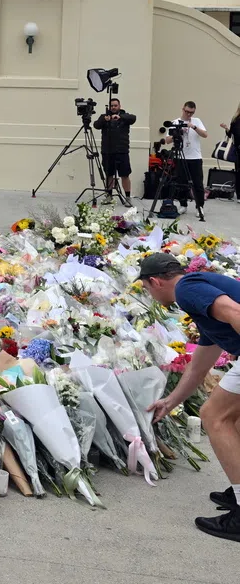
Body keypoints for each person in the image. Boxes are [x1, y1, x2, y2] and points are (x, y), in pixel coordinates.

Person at [139, 252, 240, 542]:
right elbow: (200, 365)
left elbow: (235, 313)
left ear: (155, 282)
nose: (151, 295)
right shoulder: (200, 301)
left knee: (214, 416)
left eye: (147, 289)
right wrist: (171, 401)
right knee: (233, 417)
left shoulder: (188, 290)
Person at [164, 100, 208, 220]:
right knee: (181, 182)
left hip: (195, 157)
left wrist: (193, 127)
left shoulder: (197, 121)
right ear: (183, 109)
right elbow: (167, 140)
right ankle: (183, 204)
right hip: (181, 156)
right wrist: (178, 133)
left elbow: (205, 134)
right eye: (187, 112)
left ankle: (200, 207)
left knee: (197, 183)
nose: (189, 115)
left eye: (191, 113)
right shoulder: (175, 122)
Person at [94, 97, 136, 201]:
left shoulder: (125, 116)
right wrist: (104, 120)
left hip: (122, 151)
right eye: (111, 106)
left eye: (115, 105)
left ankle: (127, 197)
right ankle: (109, 196)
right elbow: (96, 125)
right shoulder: (104, 116)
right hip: (108, 151)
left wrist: (120, 117)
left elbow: (133, 118)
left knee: (125, 175)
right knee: (109, 174)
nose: (113, 107)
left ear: (119, 106)